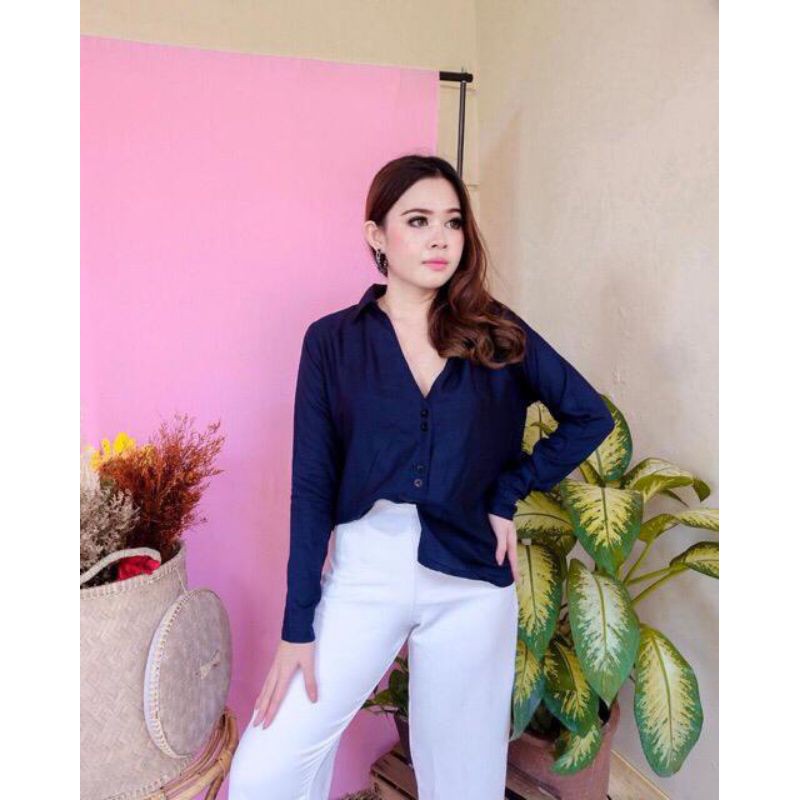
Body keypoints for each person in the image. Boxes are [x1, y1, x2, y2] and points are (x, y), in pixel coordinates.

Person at [227, 154, 614, 799]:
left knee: (463, 783)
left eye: (453, 222)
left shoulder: (495, 332)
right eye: (418, 220)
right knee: (267, 770)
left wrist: (507, 491)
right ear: (376, 235)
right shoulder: (332, 342)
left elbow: (588, 416)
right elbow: (312, 488)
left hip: (471, 579)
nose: (441, 238)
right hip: (364, 572)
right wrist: (298, 626)